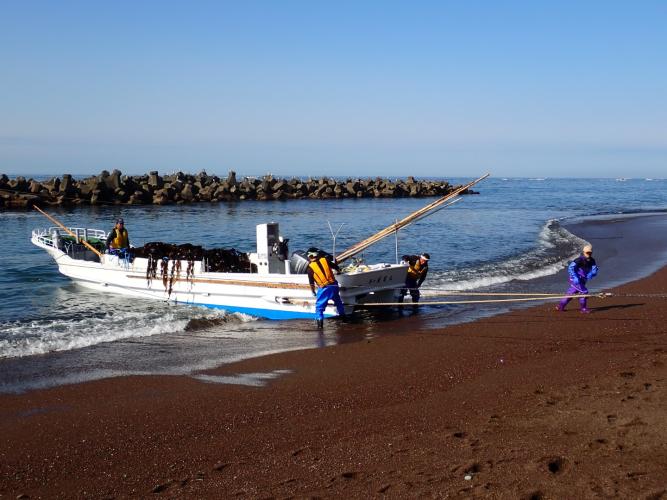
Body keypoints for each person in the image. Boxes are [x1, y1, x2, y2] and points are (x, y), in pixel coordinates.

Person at [307, 248, 345, 328]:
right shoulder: (325, 260)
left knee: (319, 307)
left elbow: (311, 283)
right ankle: (343, 318)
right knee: (338, 301)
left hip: (324, 288)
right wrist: (339, 272)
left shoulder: (310, 268)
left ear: (310, 256)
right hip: (334, 285)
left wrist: (313, 292)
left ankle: (320, 326)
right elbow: (336, 267)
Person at [557, 244, 598, 313]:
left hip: (583, 280)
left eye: (590, 252)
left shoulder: (592, 260)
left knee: (571, 293)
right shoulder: (579, 260)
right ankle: (583, 309)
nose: (589, 254)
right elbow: (570, 268)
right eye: (587, 252)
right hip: (576, 280)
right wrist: (575, 277)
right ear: (584, 252)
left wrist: (593, 273)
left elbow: (594, 268)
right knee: (584, 292)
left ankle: (560, 306)